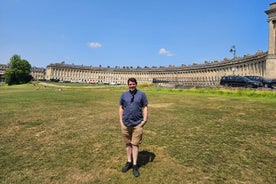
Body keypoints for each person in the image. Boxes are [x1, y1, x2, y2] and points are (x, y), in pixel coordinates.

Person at [119, 77, 148, 177]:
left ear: (136, 84)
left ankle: (135, 165)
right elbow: (121, 107)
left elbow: (145, 107)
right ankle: (129, 162)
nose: (131, 86)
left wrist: (144, 120)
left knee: (135, 145)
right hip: (125, 124)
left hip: (137, 124)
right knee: (128, 144)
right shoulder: (124, 95)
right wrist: (120, 121)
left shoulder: (142, 94)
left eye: (133, 84)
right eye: (130, 84)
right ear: (128, 85)